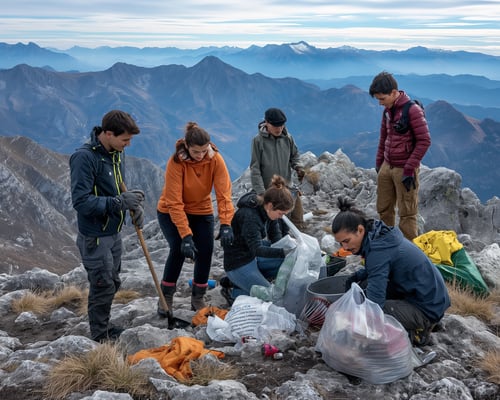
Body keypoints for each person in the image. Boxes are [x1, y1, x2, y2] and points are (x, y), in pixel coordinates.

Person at [331, 196, 450, 346]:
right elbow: (379, 269)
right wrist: (356, 277)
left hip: (427, 308)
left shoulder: (378, 252)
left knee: (364, 312)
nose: (344, 248)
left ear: (360, 230)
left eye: (346, 241)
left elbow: (375, 304)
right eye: (341, 243)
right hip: (430, 298)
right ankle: (414, 318)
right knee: (364, 286)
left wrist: (349, 318)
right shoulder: (379, 235)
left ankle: (418, 330)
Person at [70, 110, 144, 343]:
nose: (128, 144)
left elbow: (117, 188)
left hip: (113, 232)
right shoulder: (85, 158)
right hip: (95, 235)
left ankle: (104, 325)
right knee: (102, 284)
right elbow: (80, 201)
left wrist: (132, 205)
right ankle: (100, 337)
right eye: (125, 140)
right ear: (108, 134)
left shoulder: (115, 153)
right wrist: (119, 203)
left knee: (113, 281)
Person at [157, 122, 234, 316]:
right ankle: (166, 295)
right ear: (187, 147)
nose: (200, 155)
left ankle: (198, 297)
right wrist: (185, 236)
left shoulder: (215, 159)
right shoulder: (176, 162)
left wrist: (226, 224)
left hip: (201, 209)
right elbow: (174, 202)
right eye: (196, 151)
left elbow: (224, 194)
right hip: (170, 210)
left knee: (206, 250)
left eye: (204, 151)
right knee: (178, 249)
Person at [369, 71, 431, 240]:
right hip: (387, 166)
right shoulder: (388, 111)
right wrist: (379, 163)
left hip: (404, 169)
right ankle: (387, 242)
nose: (380, 103)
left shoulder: (413, 111)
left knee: (407, 213)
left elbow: (424, 140)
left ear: (394, 93)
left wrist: (410, 168)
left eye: (382, 99)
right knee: (384, 208)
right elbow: (384, 137)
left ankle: (410, 251)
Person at [222, 175, 295, 302]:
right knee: (270, 297)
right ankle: (234, 289)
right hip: (238, 263)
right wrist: (283, 252)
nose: (281, 217)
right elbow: (257, 249)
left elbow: (275, 237)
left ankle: (237, 282)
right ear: (271, 206)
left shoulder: (268, 211)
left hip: (251, 257)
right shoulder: (250, 216)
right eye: (281, 213)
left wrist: (291, 248)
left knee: (291, 261)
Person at [250, 107, 306, 227]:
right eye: (276, 126)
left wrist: (298, 167)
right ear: (266, 123)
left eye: (281, 125)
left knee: (298, 219)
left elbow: (294, 155)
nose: (279, 129)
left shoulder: (287, 138)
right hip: (270, 191)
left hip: (287, 187)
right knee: (276, 224)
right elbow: (255, 168)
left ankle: (298, 244)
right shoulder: (258, 141)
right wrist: (261, 193)